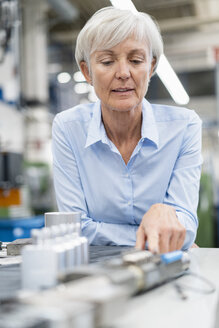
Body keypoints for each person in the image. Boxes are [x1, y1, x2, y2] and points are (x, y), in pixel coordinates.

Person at [52, 7, 202, 253]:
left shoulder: (184, 127)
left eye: (135, 60)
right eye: (107, 61)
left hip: (165, 266)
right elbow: (74, 226)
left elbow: (185, 221)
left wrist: (176, 229)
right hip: (96, 272)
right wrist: (158, 234)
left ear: (151, 66)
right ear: (87, 71)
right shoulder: (68, 128)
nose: (123, 73)